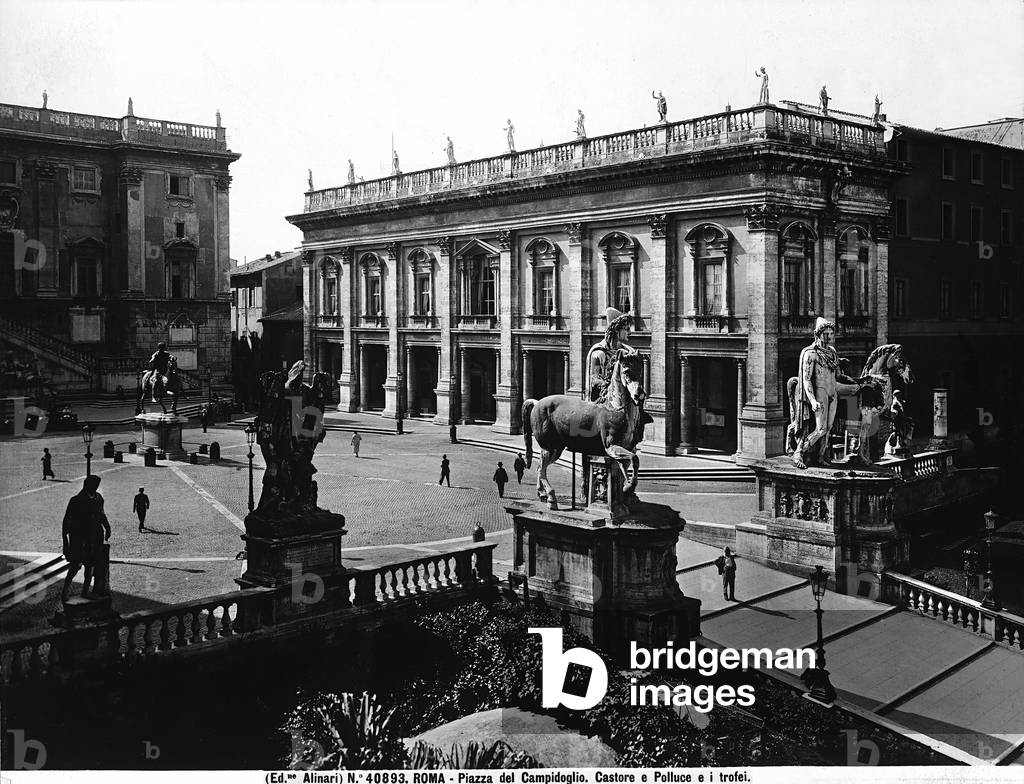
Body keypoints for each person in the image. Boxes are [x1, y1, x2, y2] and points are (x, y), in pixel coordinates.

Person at [792, 318, 867, 469]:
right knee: (820, 429)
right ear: (818, 334)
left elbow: (838, 375)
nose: (829, 337)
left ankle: (821, 457)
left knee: (828, 429)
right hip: (820, 392)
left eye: (831, 333)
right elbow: (806, 380)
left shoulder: (832, 352)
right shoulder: (810, 354)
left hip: (833, 392)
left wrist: (855, 381)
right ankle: (799, 451)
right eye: (826, 333)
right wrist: (812, 400)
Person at [60, 474, 111, 602]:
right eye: (94, 485)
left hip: (95, 537)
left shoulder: (99, 498)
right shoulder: (76, 500)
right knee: (75, 566)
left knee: (91, 566)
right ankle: (65, 591)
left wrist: (107, 527)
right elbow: (66, 521)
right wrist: (65, 542)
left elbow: (102, 514)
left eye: (97, 485)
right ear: (88, 485)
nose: (96, 487)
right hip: (80, 538)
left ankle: (85, 591)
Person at [585, 307, 635, 403]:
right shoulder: (599, 354)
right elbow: (594, 380)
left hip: (626, 401)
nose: (630, 333)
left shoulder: (629, 351)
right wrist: (610, 384)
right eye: (627, 329)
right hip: (602, 402)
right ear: (617, 330)